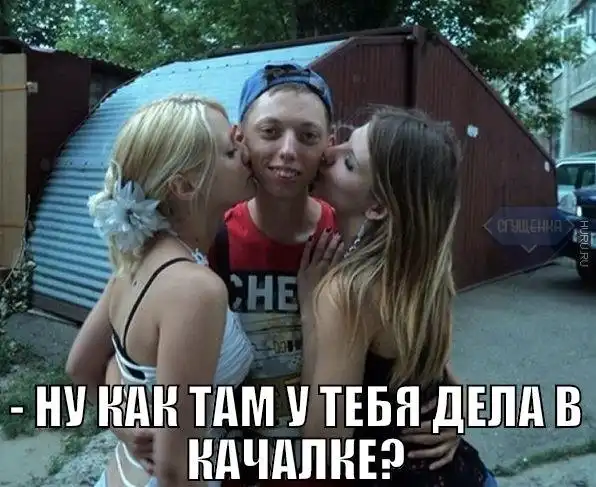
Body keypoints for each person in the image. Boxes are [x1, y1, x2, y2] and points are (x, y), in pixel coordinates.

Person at [106, 64, 462, 482]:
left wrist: (450, 406)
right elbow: (118, 353)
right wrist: (125, 421)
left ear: (328, 144)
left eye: (309, 136)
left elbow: (413, 335)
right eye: (270, 131)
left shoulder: (354, 243)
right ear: (241, 138)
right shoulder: (201, 238)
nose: (289, 150)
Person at [297, 106, 498, 486]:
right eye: (346, 139)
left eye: (349, 163)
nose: (329, 152)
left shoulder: (349, 292)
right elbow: (436, 370)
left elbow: (323, 446)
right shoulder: (426, 275)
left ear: (377, 207)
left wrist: (310, 313)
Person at [65, 94, 256, 487]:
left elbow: (80, 367)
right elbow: (175, 469)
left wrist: (123, 426)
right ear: (184, 185)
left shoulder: (139, 260)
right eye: (229, 151)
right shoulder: (195, 290)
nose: (246, 152)